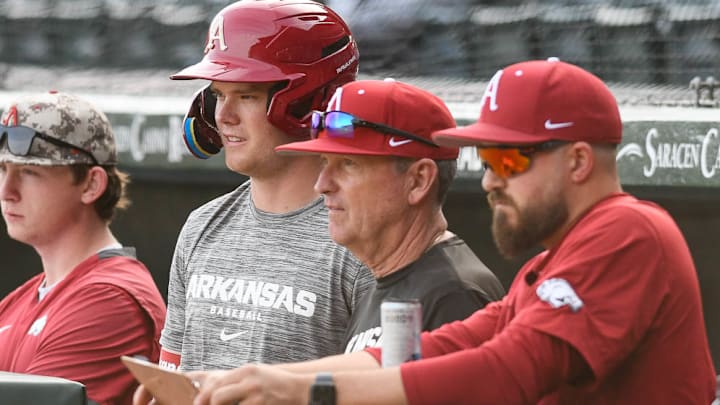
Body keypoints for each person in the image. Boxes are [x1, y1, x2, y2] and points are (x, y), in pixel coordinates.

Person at [188, 59, 717, 404]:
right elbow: (447, 346)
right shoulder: (547, 265)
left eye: (507, 159)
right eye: (485, 159)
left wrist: (307, 392)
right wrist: (260, 381)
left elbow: (507, 371)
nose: (488, 180)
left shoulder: (630, 230)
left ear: (578, 161)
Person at [154, 0, 372, 372]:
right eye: (218, 95)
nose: (223, 116)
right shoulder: (201, 227)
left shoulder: (363, 237)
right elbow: (172, 380)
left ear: (307, 103)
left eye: (247, 95)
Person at [275, 79, 504, 354]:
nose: (322, 184)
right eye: (325, 162)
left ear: (418, 181)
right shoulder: (387, 281)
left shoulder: (454, 295)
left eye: (348, 164)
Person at [0, 91, 167, 405]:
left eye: (29, 172)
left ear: (91, 185)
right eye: (2, 170)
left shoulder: (109, 299)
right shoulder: (21, 300)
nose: (7, 192)